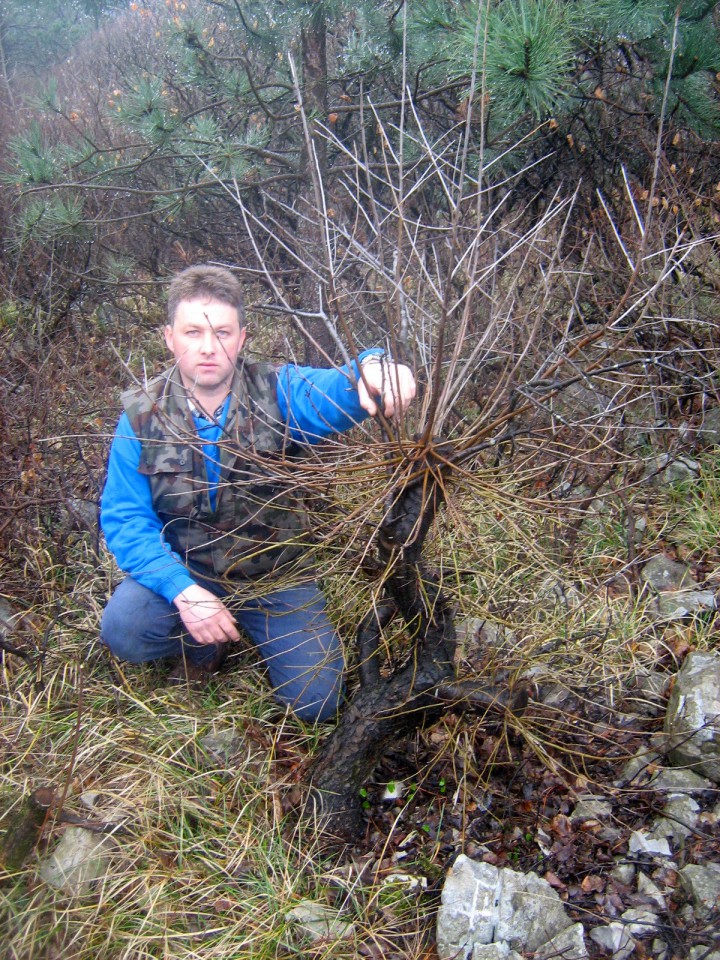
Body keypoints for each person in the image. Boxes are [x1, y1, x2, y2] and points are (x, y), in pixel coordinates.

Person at [100, 264, 416, 722]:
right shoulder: (140, 418)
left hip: (276, 576)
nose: (208, 348)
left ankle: (249, 629)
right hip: (188, 570)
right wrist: (183, 591)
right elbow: (127, 520)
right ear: (169, 337)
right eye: (192, 332)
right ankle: (202, 638)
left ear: (242, 338)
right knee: (125, 630)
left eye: (222, 333)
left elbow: (336, 390)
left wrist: (375, 369)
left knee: (316, 702)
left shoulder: (278, 391)